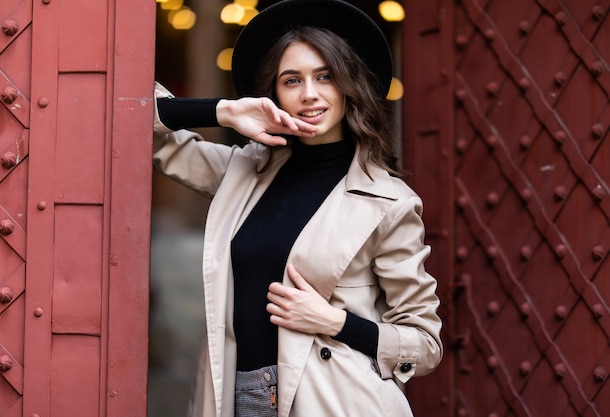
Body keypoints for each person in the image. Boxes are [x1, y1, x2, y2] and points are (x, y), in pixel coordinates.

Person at [152, 1, 443, 416]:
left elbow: (425, 344)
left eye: (325, 76)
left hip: (333, 400)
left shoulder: (389, 203)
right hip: (238, 394)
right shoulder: (243, 172)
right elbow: (143, 123)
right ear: (275, 95)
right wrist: (226, 111)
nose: (309, 94)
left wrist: (333, 321)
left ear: (347, 85)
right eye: (292, 80)